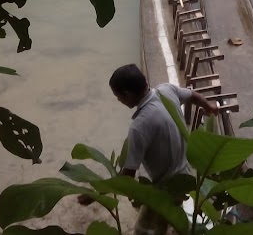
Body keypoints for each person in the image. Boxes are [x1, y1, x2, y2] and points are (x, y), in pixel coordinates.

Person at [94, 64, 220, 235]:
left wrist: (97, 192)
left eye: (118, 97)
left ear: (127, 94)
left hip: (167, 188)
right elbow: (193, 95)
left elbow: (128, 176)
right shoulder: (166, 91)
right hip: (185, 176)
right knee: (165, 219)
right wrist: (208, 107)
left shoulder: (139, 127)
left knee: (143, 229)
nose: (118, 101)